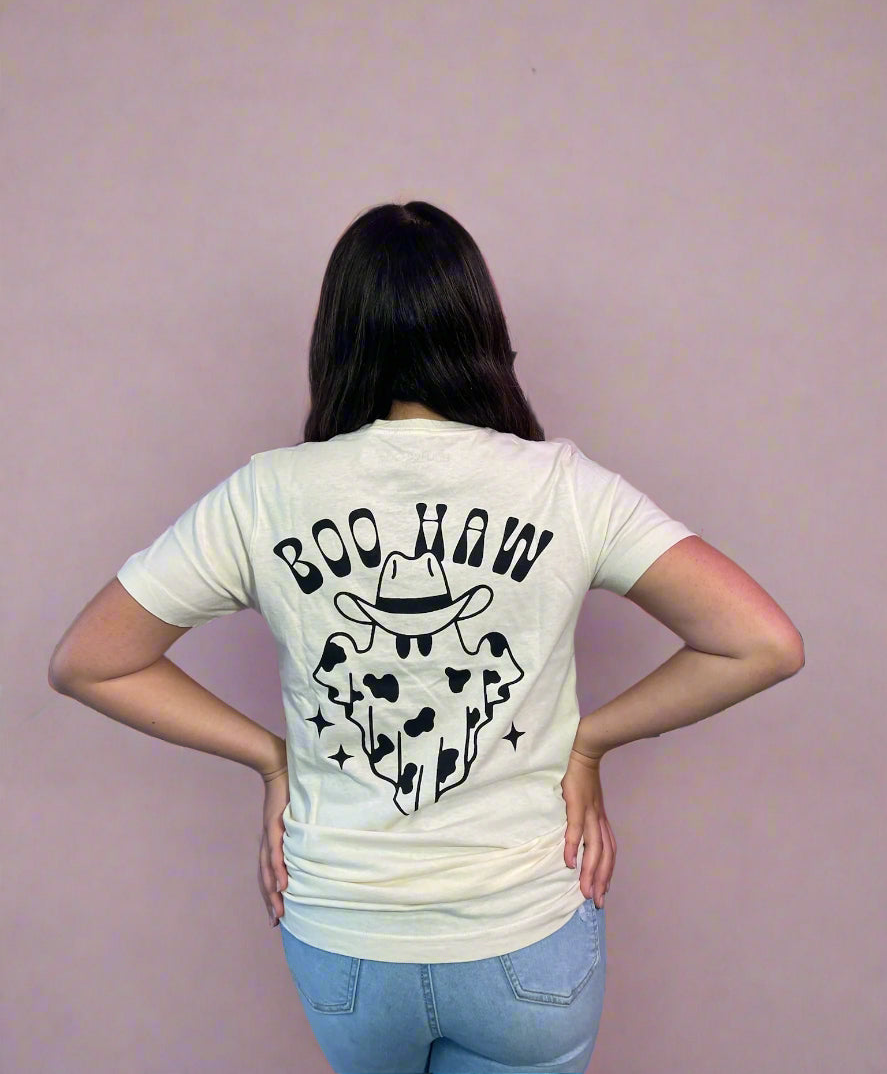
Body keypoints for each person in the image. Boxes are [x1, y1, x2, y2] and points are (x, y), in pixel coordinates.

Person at [48, 201, 805, 1074]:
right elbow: (762, 642)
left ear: (337, 338)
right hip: (523, 935)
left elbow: (90, 661)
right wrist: (587, 742)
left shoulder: (267, 495)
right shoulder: (561, 488)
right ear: (481, 328)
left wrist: (273, 759)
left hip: (345, 943)